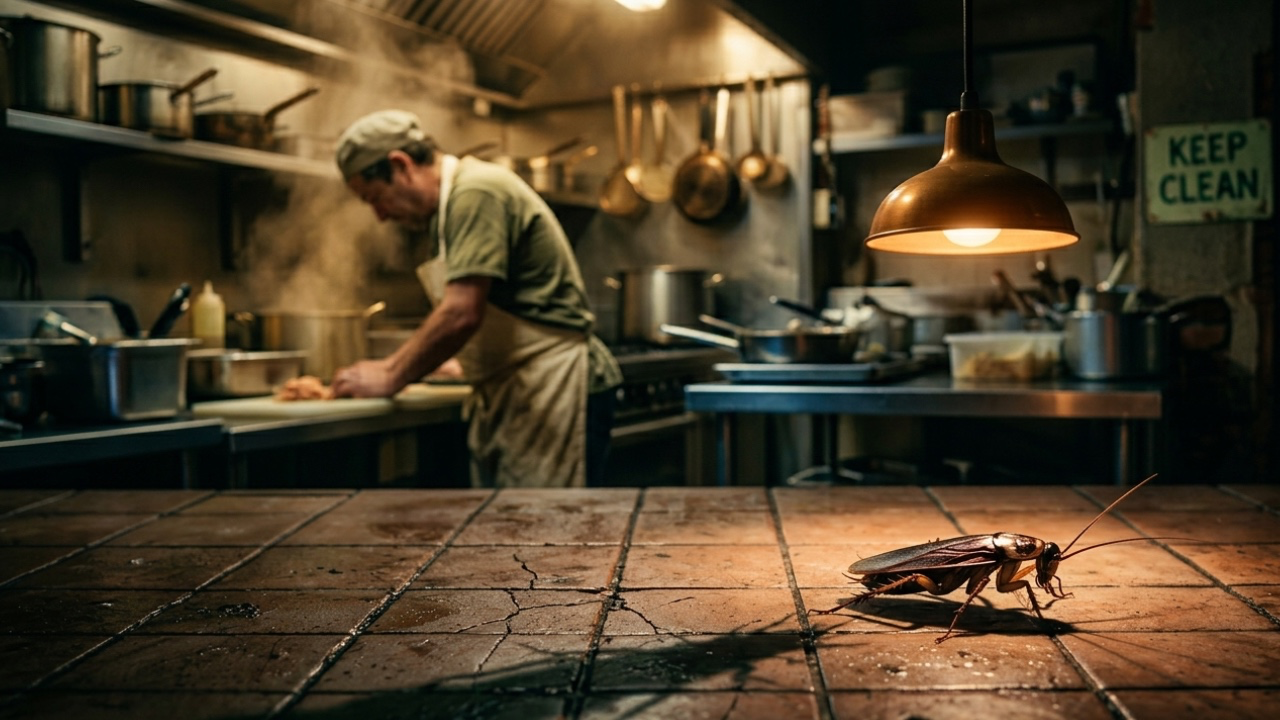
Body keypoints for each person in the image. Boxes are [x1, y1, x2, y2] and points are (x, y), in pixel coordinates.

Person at [329, 109, 622, 488]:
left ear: (400, 165)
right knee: (516, 533)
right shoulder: (448, 210)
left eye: (375, 197)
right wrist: (466, 361)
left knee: (549, 534)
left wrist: (390, 374)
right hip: (521, 387)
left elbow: (462, 311)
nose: (380, 215)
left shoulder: (476, 192)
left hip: (555, 385)